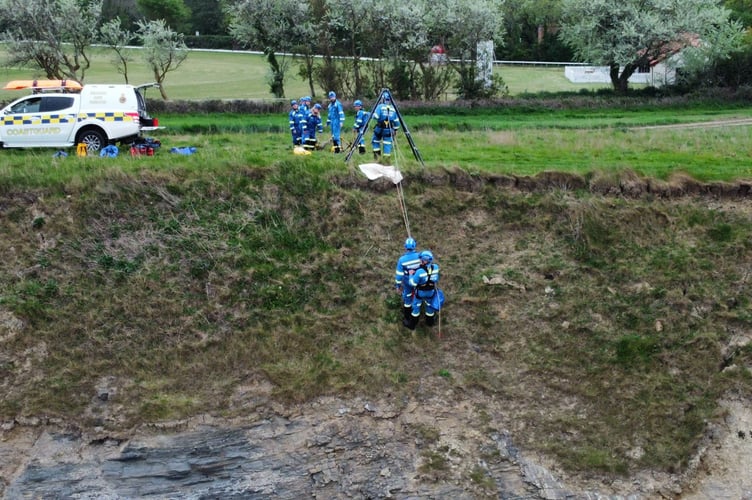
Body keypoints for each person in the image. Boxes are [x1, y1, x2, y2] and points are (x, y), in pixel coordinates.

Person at [405, 250, 440, 330]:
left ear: (424, 261)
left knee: (416, 307)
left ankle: (412, 324)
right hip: (431, 292)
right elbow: (436, 279)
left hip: (420, 293)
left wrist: (411, 275)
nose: (419, 260)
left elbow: (412, 283)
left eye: (421, 259)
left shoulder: (420, 272)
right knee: (429, 306)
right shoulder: (436, 267)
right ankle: (430, 322)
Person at [394, 237, 421, 323]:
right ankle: (417, 311)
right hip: (418, 281)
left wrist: (398, 285)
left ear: (405, 247)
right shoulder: (420, 256)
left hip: (407, 282)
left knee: (407, 297)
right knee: (418, 296)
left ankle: (407, 316)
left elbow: (399, 275)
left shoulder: (402, 260)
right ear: (415, 246)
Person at [371, 91, 400, 162]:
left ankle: (377, 158)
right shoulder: (393, 108)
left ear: (382, 99)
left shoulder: (380, 106)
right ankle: (386, 161)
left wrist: (370, 114)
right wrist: (395, 130)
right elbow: (396, 122)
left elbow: (376, 116)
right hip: (389, 130)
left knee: (375, 141)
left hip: (379, 129)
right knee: (387, 143)